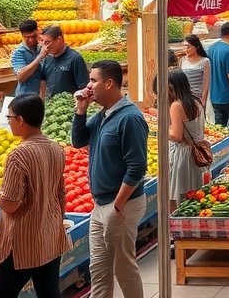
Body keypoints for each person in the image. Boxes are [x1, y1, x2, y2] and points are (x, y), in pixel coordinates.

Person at [71, 60, 149, 298]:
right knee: (99, 270)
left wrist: (117, 205)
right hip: (100, 205)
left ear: (109, 83)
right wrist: (81, 109)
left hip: (121, 205)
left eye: (93, 80)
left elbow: (137, 167)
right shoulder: (103, 115)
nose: (88, 85)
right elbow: (78, 141)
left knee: (124, 268)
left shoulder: (130, 118)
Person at [0, 94, 68, 298]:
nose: (8, 123)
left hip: (22, 243)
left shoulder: (19, 155)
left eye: (9, 118)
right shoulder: (56, 148)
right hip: (49, 236)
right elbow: (60, 194)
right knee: (49, 293)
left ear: (20, 120)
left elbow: (9, 204)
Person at [165, 70, 207, 211]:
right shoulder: (196, 101)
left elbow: (177, 136)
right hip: (196, 154)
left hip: (183, 156)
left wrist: (161, 131)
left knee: (177, 199)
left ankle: (177, 229)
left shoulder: (176, 106)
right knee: (195, 196)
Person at [37, 25, 89, 99]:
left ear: (59, 39)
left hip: (68, 106)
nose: (45, 47)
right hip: (51, 105)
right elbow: (43, 82)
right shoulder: (46, 58)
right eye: (43, 42)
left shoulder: (75, 58)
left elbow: (83, 87)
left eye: (48, 42)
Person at [10, 19, 46, 97]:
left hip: (41, 96)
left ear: (37, 32)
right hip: (25, 97)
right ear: (22, 36)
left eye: (33, 36)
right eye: (27, 37)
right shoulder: (18, 52)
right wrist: (40, 56)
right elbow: (21, 77)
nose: (31, 40)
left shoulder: (41, 47)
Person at [178, 34, 210, 107]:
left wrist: (203, 99)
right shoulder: (182, 60)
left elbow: (206, 82)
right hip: (184, 97)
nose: (186, 49)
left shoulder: (205, 61)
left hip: (198, 97)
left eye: (188, 47)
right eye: (184, 46)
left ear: (196, 47)